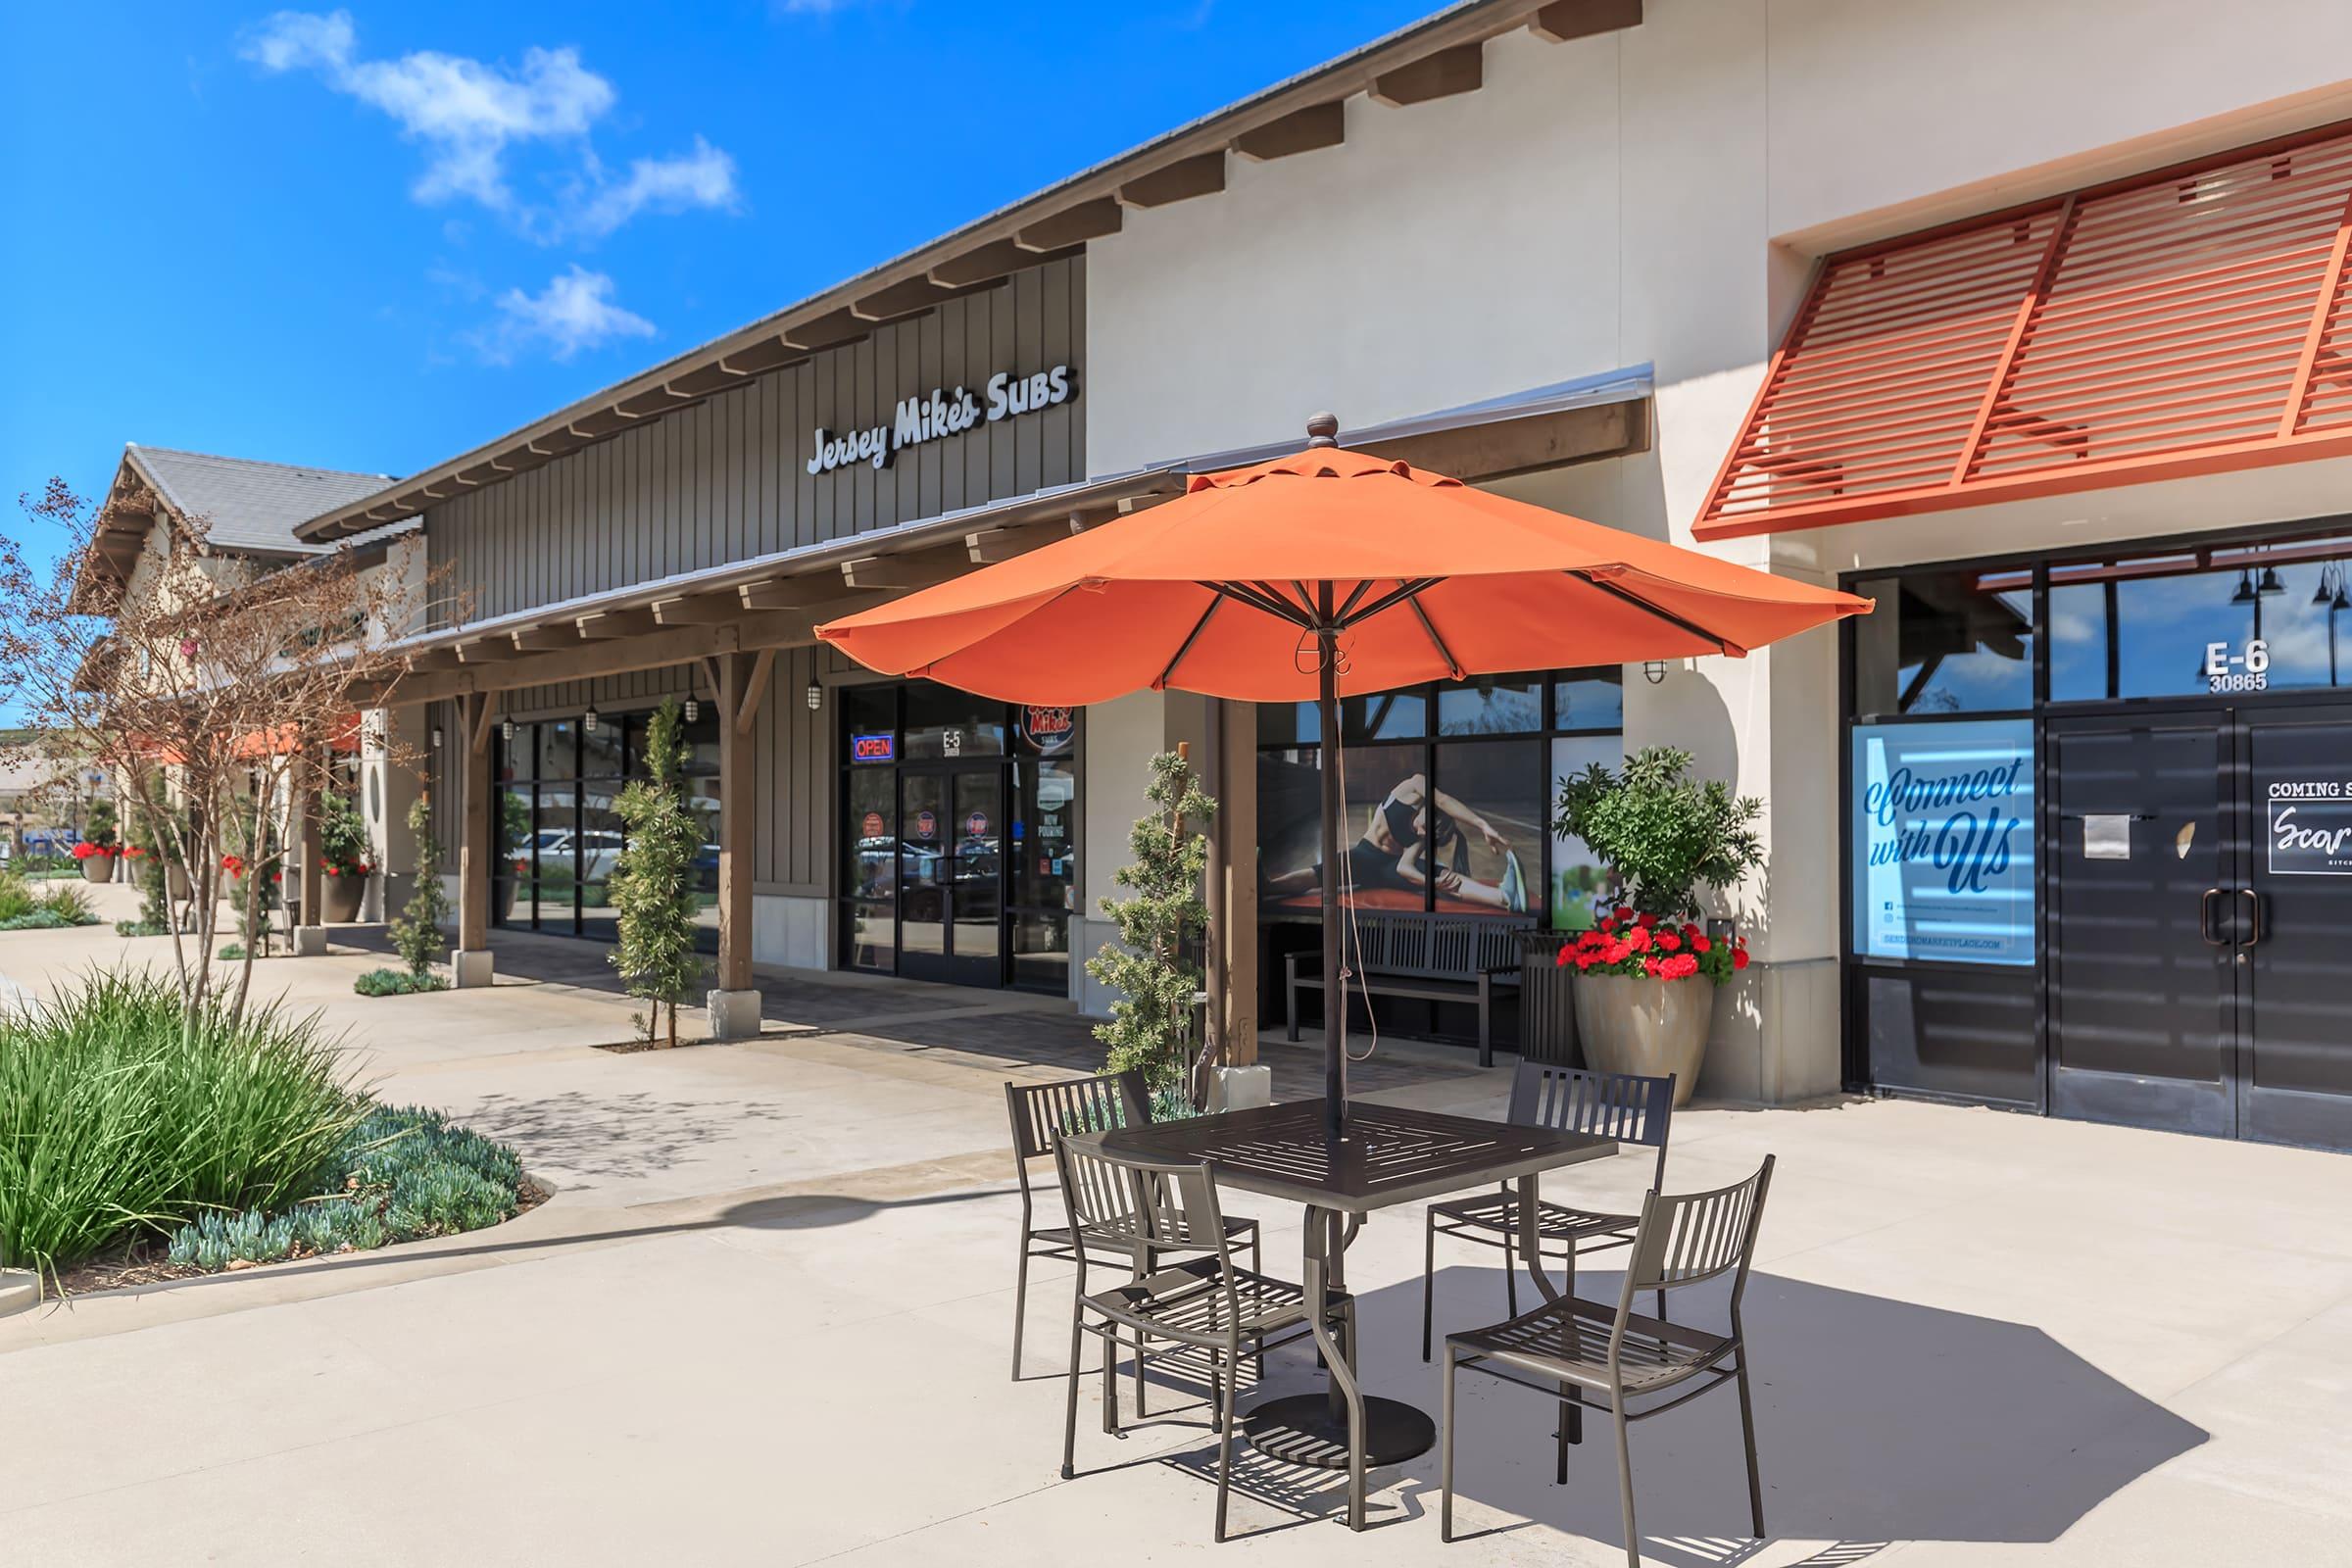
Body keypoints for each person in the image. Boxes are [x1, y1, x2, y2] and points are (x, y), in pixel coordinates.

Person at [1267, 772, 1526, 911]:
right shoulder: (1412, 788)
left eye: (1428, 836)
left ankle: (1504, 897)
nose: (1422, 834)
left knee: (1444, 877)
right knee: (1320, 874)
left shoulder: (1423, 835)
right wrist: (1482, 824)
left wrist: (1433, 882)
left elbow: (1405, 868)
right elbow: (1444, 799)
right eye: (1426, 827)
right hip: (1365, 857)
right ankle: (1267, 887)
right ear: (1430, 808)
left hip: (1393, 869)